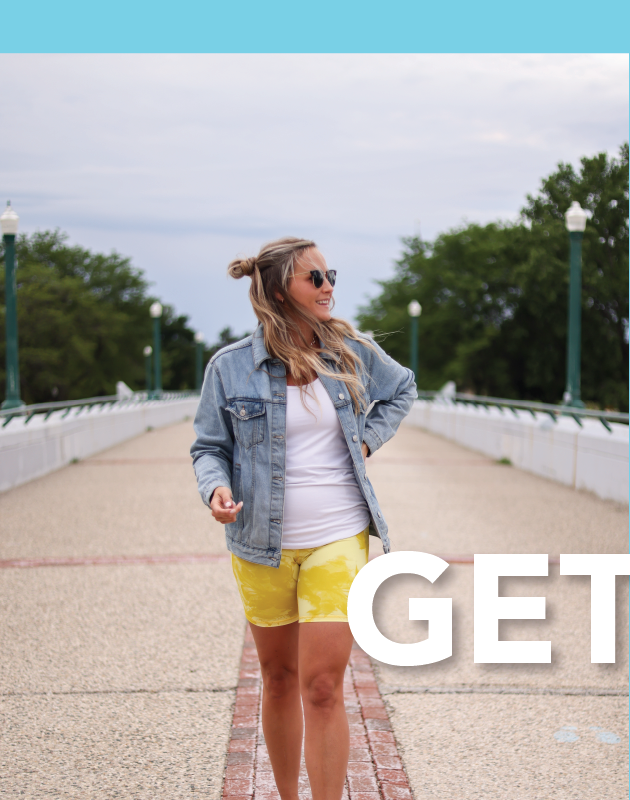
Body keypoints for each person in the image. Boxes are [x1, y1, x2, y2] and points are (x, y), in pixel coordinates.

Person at [191, 236, 415, 800]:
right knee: (280, 678)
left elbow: (401, 389)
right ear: (276, 290)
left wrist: (364, 442)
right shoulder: (229, 367)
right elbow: (208, 447)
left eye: (329, 274)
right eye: (313, 278)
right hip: (260, 542)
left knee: (320, 685)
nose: (328, 286)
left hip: (339, 535)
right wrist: (215, 489)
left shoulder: (347, 352)